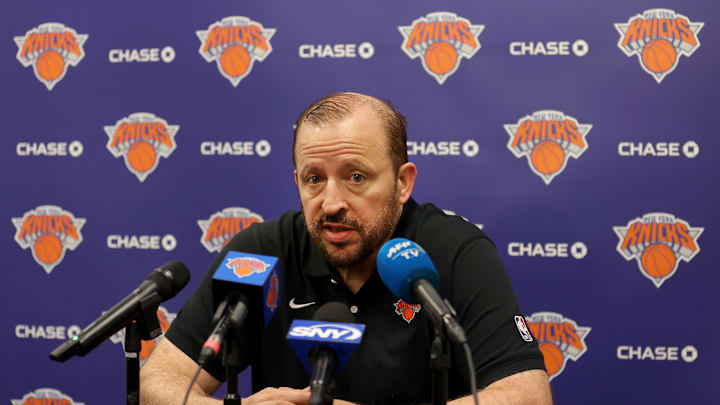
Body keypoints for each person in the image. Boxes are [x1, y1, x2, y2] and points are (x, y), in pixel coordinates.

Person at [140, 92, 553, 405]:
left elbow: (528, 395)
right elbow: (157, 382)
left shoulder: (454, 251)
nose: (331, 202)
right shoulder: (261, 253)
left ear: (403, 182)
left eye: (356, 177)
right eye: (314, 179)